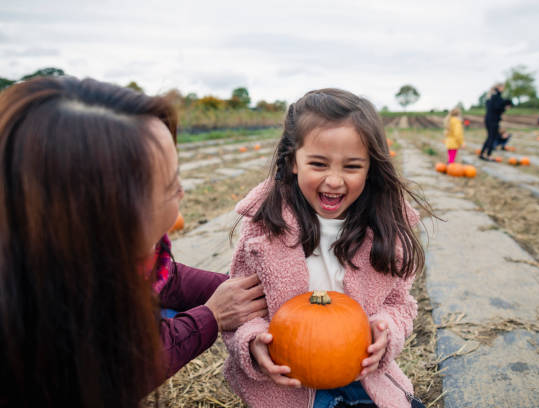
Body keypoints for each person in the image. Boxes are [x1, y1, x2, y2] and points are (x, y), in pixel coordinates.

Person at [0, 76, 266, 407]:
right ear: (107, 212)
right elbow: (119, 367)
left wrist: (254, 293)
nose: (182, 192)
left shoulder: (90, 253)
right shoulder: (40, 336)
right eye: (170, 186)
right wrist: (211, 316)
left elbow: (167, 279)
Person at [222, 88, 428, 408]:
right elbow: (240, 310)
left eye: (351, 167)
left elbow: (400, 304)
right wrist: (252, 342)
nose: (334, 180)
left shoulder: (385, 230)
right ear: (293, 162)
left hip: (361, 377)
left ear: (370, 167)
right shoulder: (265, 228)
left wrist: (387, 330)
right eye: (318, 164)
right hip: (287, 383)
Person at [479, 82, 512, 161]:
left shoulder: (490, 96)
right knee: (492, 137)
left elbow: (492, 108)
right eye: (503, 87)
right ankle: (488, 155)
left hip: (488, 119)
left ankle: (482, 153)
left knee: (490, 137)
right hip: (493, 120)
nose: (503, 89)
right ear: (499, 87)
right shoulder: (496, 96)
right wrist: (505, 107)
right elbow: (497, 108)